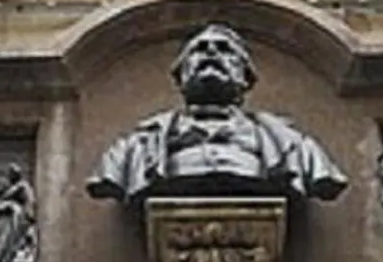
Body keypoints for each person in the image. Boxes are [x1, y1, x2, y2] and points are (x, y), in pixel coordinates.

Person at [87, 23, 347, 206]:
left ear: (246, 78)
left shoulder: (293, 146)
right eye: (199, 50)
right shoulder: (136, 147)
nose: (211, 53)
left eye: (224, 49)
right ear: (181, 76)